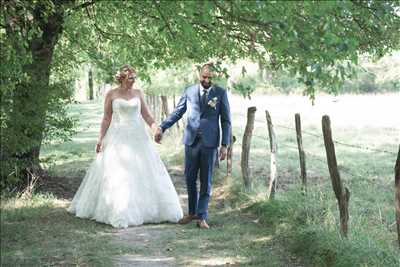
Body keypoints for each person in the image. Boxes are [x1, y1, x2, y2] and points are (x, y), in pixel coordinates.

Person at [68, 65, 183, 228]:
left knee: (144, 170)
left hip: (138, 136)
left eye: (135, 78)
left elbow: (147, 115)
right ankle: (120, 209)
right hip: (118, 136)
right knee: (119, 172)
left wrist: (155, 128)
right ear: (121, 78)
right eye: (130, 78)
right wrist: (100, 139)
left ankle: (149, 210)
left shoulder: (138, 93)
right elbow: (106, 118)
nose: (133, 81)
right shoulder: (112, 94)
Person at [155, 63, 232, 229]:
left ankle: (202, 216)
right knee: (189, 178)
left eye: (210, 77)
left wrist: (225, 144)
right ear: (199, 75)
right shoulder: (189, 91)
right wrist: (162, 126)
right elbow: (178, 112)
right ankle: (191, 212)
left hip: (210, 143)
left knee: (206, 180)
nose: (207, 80)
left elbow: (226, 121)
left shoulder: (220, 93)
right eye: (204, 76)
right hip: (191, 142)